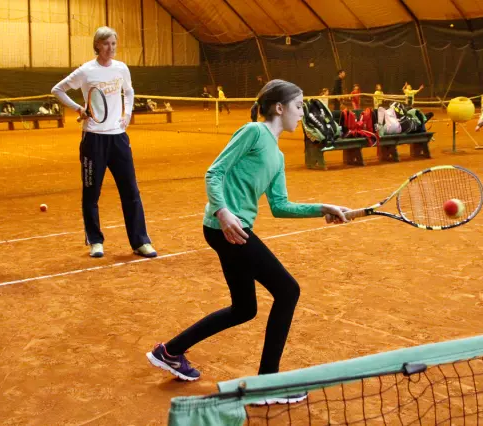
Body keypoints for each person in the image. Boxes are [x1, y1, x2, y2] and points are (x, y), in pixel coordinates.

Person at [146, 79, 350, 405]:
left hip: (233, 230)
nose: (302, 114)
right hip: (226, 227)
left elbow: (280, 206)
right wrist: (223, 211)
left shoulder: (278, 156)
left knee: (244, 309)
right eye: (298, 106)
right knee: (288, 290)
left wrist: (321, 208)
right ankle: (266, 383)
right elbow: (214, 172)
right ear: (279, 108)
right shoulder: (253, 132)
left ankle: (169, 351)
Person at [51, 26, 156, 259]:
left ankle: (140, 241)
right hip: (93, 139)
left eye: (114, 43)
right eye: (107, 43)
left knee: (131, 191)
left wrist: (127, 114)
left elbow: (129, 91)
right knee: (91, 194)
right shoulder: (86, 71)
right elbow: (57, 90)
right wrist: (79, 108)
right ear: (97, 45)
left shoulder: (121, 68)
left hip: (118, 138)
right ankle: (95, 241)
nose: (111, 48)